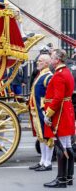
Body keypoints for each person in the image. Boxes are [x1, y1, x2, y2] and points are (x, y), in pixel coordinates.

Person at [43, 49, 75, 188]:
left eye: (51, 58)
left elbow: (57, 98)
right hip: (66, 110)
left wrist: (48, 114)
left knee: (60, 147)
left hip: (60, 112)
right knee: (67, 145)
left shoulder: (59, 75)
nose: (50, 60)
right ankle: (68, 177)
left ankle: (61, 179)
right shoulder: (66, 72)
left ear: (57, 60)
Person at [28, 54, 54, 171]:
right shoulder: (41, 75)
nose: (38, 62)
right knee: (41, 137)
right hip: (36, 111)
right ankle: (43, 161)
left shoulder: (48, 76)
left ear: (47, 63)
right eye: (38, 60)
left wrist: (47, 112)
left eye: (41, 61)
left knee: (47, 137)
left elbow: (51, 96)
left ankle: (48, 162)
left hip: (43, 111)